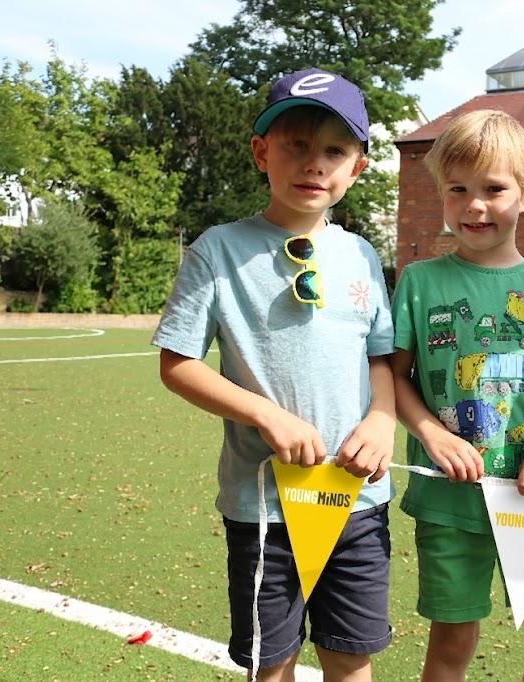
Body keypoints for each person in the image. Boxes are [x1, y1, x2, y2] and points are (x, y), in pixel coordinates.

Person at [153, 68, 395, 682]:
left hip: (356, 498)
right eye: (296, 145)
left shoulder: (362, 253)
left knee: (350, 655)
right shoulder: (219, 249)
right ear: (263, 152)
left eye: (334, 151)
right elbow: (177, 364)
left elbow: (381, 356)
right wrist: (265, 412)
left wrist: (382, 418)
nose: (314, 164)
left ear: (357, 168)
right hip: (263, 508)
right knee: (273, 661)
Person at [390, 109, 524, 682]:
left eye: (493, 189)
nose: (475, 206)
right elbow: (393, 377)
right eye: (458, 190)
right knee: (451, 646)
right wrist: (432, 433)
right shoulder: (419, 281)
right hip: (449, 500)